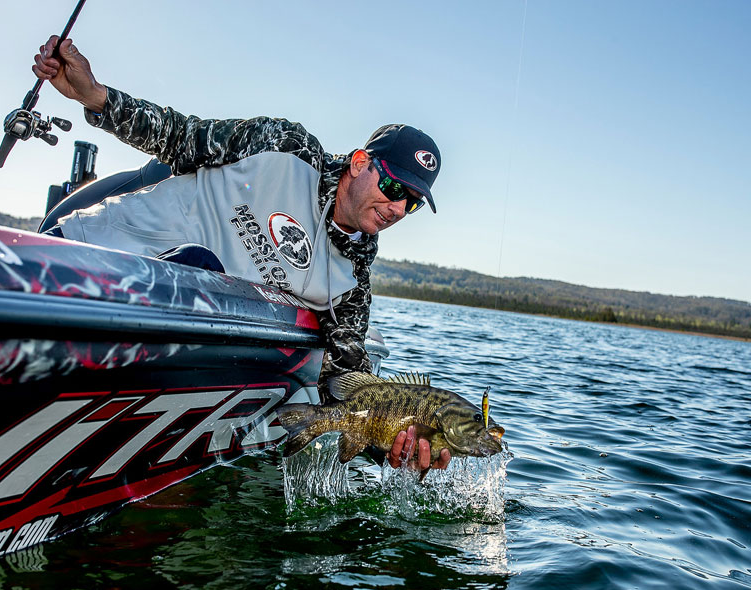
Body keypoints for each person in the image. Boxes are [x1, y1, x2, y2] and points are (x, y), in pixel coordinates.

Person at [33, 36, 450, 473]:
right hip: (84, 260)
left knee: (205, 278)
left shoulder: (352, 279)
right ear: (361, 163)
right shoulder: (285, 146)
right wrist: (95, 96)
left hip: (172, 351)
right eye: (393, 188)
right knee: (197, 266)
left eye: (413, 202)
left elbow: (346, 386)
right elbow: (181, 136)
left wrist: (392, 446)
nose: (399, 208)